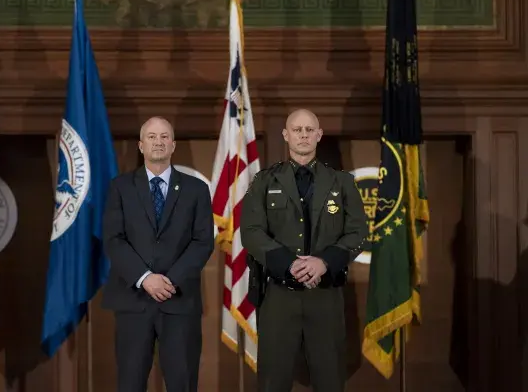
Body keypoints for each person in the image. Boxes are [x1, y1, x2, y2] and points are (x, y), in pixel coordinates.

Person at [242, 108, 369, 392]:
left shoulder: (342, 182)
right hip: (278, 296)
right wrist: (289, 264)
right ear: (286, 135)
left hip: (325, 295)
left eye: (309, 130)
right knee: (272, 380)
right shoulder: (264, 181)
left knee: (330, 379)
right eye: (297, 130)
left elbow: (358, 231)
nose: (303, 135)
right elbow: (250, 232)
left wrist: (323, 263)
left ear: (319, 135)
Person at [102, 116, 215, 392]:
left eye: (164, 136)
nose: (158, 142)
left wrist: (169, 280)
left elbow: (203, 241)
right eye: (152, 137)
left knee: (182, 382)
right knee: (130, 383)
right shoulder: (120, 187)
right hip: (133, 301)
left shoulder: (196, 189)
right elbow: (113, 239)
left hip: (179, 303)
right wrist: (145, 278)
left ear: (173, 145)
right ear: (141, 145)